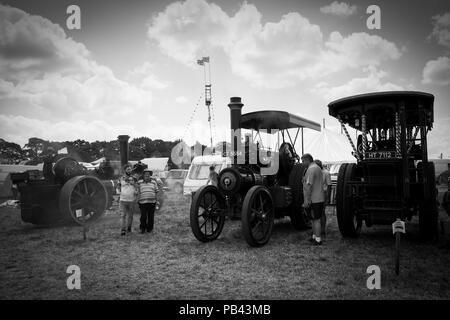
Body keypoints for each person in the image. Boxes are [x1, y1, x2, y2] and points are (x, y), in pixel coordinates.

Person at [301, 153, 325, 245]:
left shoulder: (310, 169)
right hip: (319, 197)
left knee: (316, 219)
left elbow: (308, 186)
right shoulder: (317, 168)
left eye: (303, 161)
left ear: (308, 160)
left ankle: (318, 239)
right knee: (313, 219)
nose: (302, 163)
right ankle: (314, 236)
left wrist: (306, 200)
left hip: (314, 199)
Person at [117, 164, 138, 236]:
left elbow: (137, 187)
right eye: (128, 169)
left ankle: (129, 228)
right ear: (125, 170)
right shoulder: (121, 178)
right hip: (123, 200)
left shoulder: (134, 178)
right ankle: (123, 230)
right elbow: (118, 187)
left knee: (130, 216)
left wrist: (135, 188)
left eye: (130, 169)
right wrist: (118, 191)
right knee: (123, 215)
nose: (129, 170)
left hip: (131, 200)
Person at [137, 169, 159, 233]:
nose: (147, 176)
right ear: (143, 175)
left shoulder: (154, 182)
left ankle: (150, 229)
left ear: (150, 176)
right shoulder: (139, 182)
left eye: (148, 175)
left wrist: (157, 201)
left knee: (151, 216)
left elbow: (156, 192)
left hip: (152, 202)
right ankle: (143, 228)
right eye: (145, 175)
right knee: (143, 216)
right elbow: (136, 190)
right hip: (142, 202)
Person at [314, 159, 332, 236]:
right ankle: (317, 229)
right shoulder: (315, 172)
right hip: (315, 193)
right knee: (316, 212)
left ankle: (323, 229)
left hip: (323, 193)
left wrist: (328, 197)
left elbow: (329, 186)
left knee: (321, 212)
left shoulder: (326, 173)